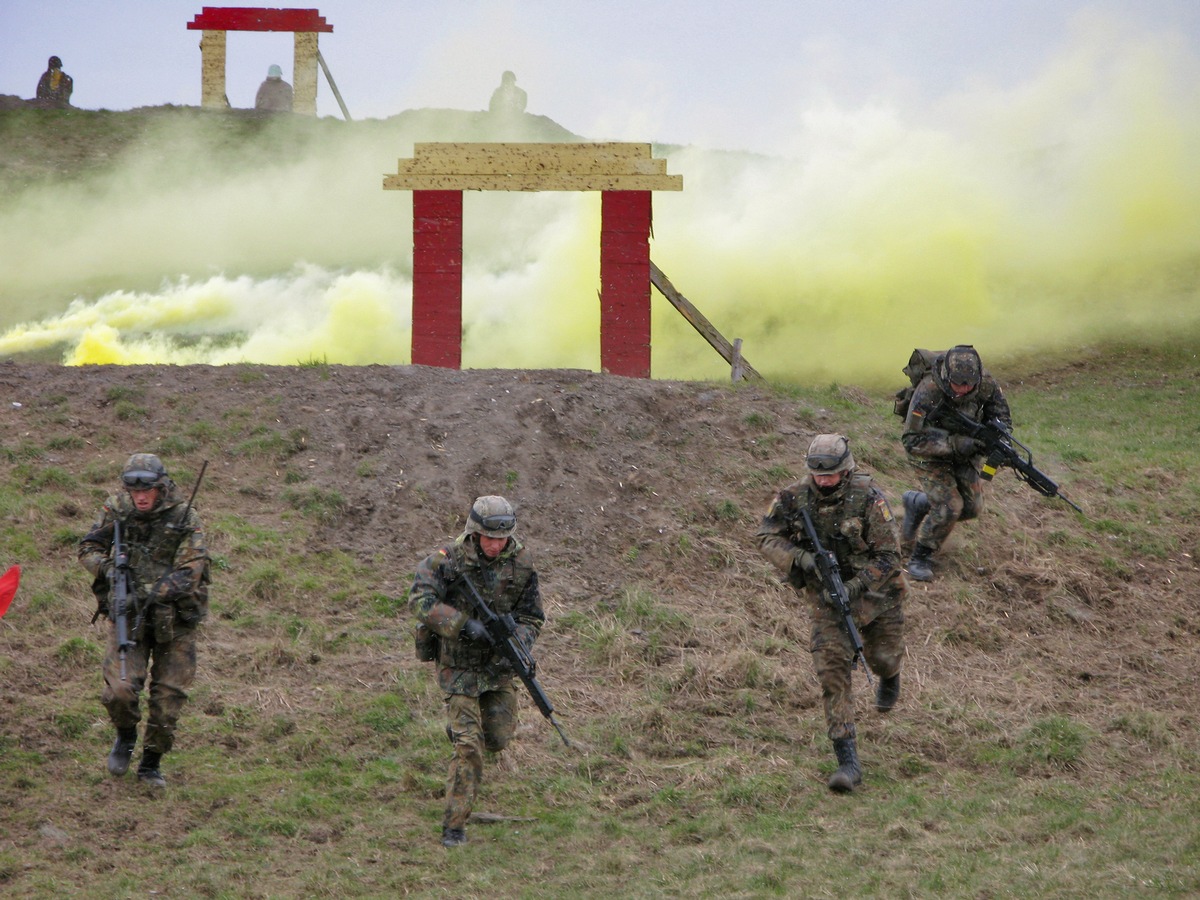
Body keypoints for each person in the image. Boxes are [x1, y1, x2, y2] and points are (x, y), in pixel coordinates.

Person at [757, 434, 906, 793]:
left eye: (831, 475)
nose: (823, 481)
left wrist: (855, 587)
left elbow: (889, 557)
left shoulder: (870, 499)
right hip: (826, 600)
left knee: (882, 657)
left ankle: (891, 674)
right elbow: (765, 536)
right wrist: (801, 559)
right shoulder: (793, 498)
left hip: (877, 595)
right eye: (817, 475)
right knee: (831, 672)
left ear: (846, 470)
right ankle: (847, 762)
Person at [409, 495, 544, 848]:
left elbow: (533, 617)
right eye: (489, 538)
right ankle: (454, 826)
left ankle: (459, 730)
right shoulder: (445, 561)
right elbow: (419, 600)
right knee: (469, 747)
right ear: (474, 533)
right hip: (459, 668)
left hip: (498, 668)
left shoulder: (523, 563)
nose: (496, 545)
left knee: (496, 738)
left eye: (501, 539)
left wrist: (517, 639)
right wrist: (462, 625)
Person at [78, 454, 210, 787]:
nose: (140, 496)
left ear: (160, 486)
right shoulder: (117, 509)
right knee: (120, 690)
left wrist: (148, 591)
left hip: (175, 622)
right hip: (129, 618)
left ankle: (151, 763)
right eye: (133, 489)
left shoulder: (184, 515)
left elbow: (191, 571)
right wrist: (109, 570)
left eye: (147, 489)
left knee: (168, 701)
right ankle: (125, 736)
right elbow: (89, 547)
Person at [899, 344, 1012, 581]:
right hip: (928, 452)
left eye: (968, 385)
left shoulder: (987, 384)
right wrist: (954, 443)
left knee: (972, 508)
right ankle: (921, 556)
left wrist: (996, 443)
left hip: (966, 451)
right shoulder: (928, 389)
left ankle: (920, 504)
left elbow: (1003, 418)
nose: (962, 390)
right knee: (950, 506)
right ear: (947, 377)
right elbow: (911, 440)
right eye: (957, 384)